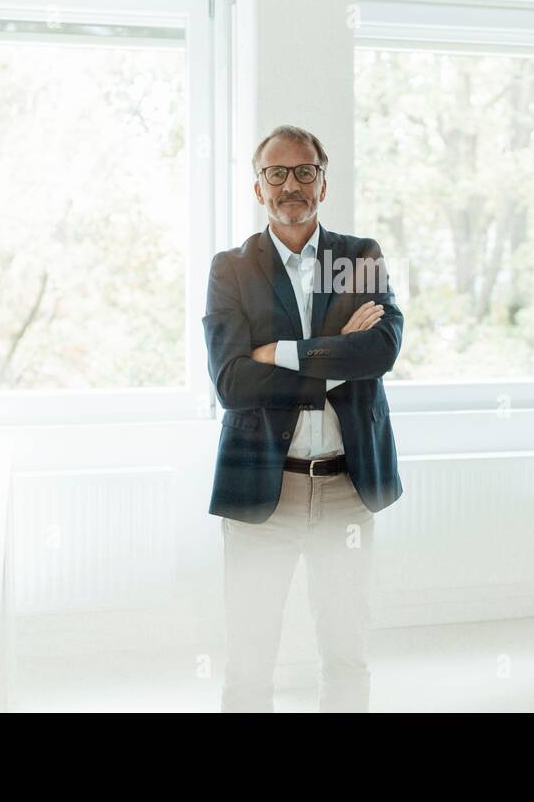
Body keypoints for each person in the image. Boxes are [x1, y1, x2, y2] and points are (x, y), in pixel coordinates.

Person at [202, 124, 403, 712]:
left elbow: (382, 351)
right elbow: (234, 385)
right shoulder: (231, 269)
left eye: (304, 171)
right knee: (249, 662)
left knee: (345, 657)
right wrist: (336, 350)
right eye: (277, 173)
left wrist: (280, 352)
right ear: (257, 187)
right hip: (264, 486)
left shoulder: (358, 257)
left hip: (346, 488)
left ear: (323, 181)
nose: (291, 184)